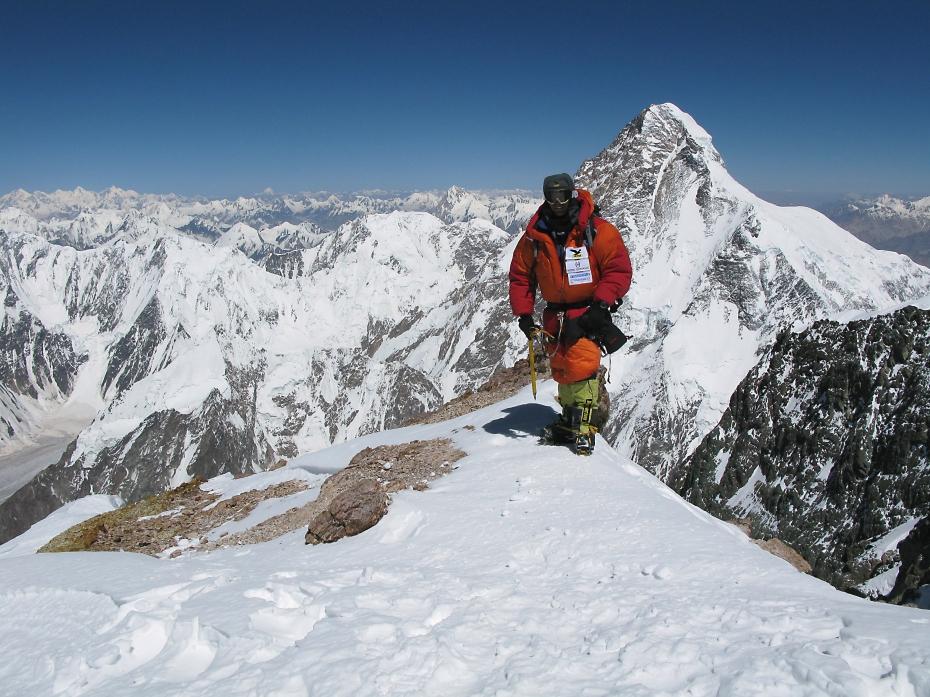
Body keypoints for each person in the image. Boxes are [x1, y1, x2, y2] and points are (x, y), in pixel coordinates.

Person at [508, 173, 633, 454]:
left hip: (587, 309)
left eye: (563, 196)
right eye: (552, 197)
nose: (558, 203)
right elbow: (520, 277)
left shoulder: (596, 230)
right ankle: (569, 420)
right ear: (545, 197)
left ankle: (585, 425)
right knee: (562, 367)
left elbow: (618, 269)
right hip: (555, 314)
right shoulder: (535, 237)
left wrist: (600, 306)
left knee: (583, 365)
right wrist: (524, 314)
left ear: (572, 194)